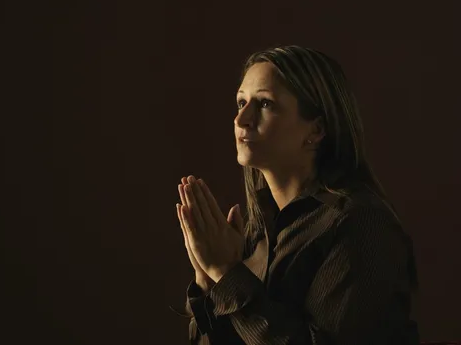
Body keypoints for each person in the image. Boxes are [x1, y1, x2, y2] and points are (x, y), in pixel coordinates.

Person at [175, 45, 420, 344]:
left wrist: (227, 273)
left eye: (264, 104)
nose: (242, 120)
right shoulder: (258, 233)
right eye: (241, 103)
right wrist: (207, 280)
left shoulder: (360, 223)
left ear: (316, 130)